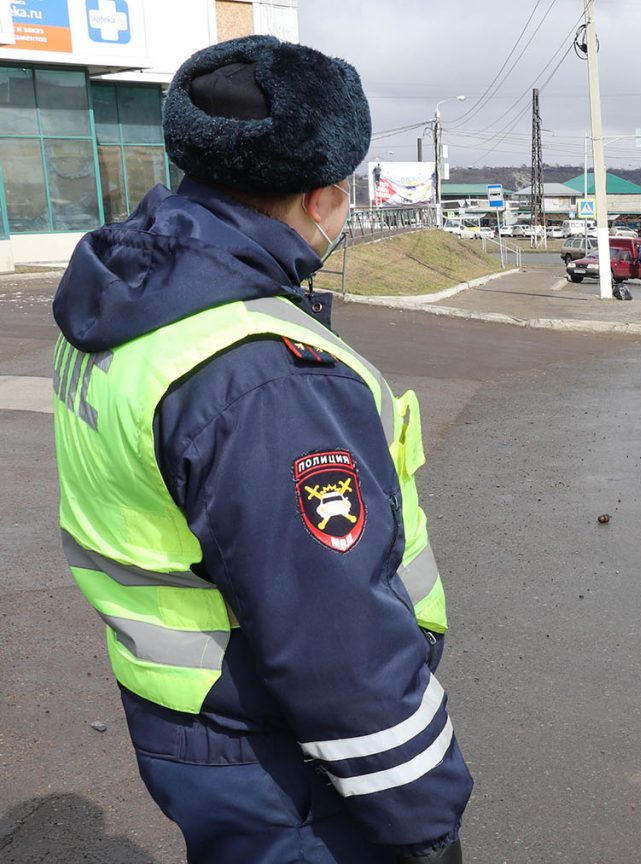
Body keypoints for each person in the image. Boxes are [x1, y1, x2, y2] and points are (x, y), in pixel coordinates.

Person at [50, 36, 471, 863]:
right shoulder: (265, 377)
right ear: (322, 199)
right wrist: (425, 818)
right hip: (285, 752)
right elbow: (334, 639)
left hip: (187, 717)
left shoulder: (127, 293)